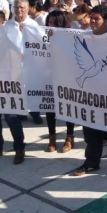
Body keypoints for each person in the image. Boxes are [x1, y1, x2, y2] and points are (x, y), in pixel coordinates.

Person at [70, 6, 107, 179]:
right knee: (90, 131)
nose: (93, 22)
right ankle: (91, 162)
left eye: (97, 19)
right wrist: (53, 38)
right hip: (90, 95)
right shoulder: (85, 37)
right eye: (92, 18)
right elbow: (65, 43)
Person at [0, 10, 27, 165]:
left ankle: (19, 149)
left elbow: (19, 58)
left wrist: (12, 82)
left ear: (2, 23)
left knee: (12, 119)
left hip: (7, 85)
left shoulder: (9, 38)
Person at [43, 11, 76, 153]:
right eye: (49, 23)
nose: (52, 26)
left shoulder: (70, 36)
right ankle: (52, 137)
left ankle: (69, 137)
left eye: (55, 23)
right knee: (50, 106)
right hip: (49, 75)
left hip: (66, 76)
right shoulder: (43, 35)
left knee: (68, 106)